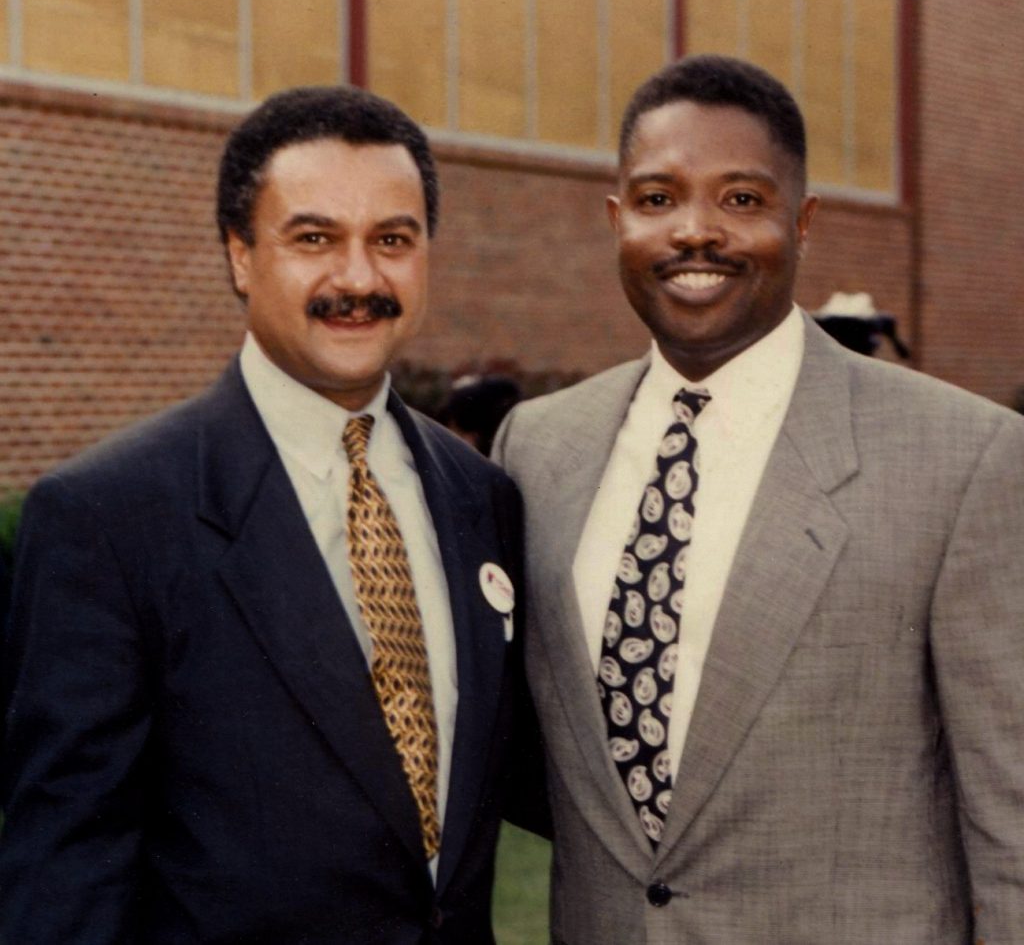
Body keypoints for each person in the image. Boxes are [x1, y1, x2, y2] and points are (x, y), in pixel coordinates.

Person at [493, 55, 1024, 943]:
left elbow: (1012, 820)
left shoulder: (964, 461)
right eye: (659, 200)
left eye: (741, 200)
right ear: (618, 220)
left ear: (804, 221)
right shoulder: (538, 449)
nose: (696, 232)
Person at [0, 86, 526, 944]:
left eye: (392, 240)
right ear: (241, 256)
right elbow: (65, 872)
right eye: (314, 238)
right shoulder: (108, 520)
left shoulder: (481, 498)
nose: (359, 279)